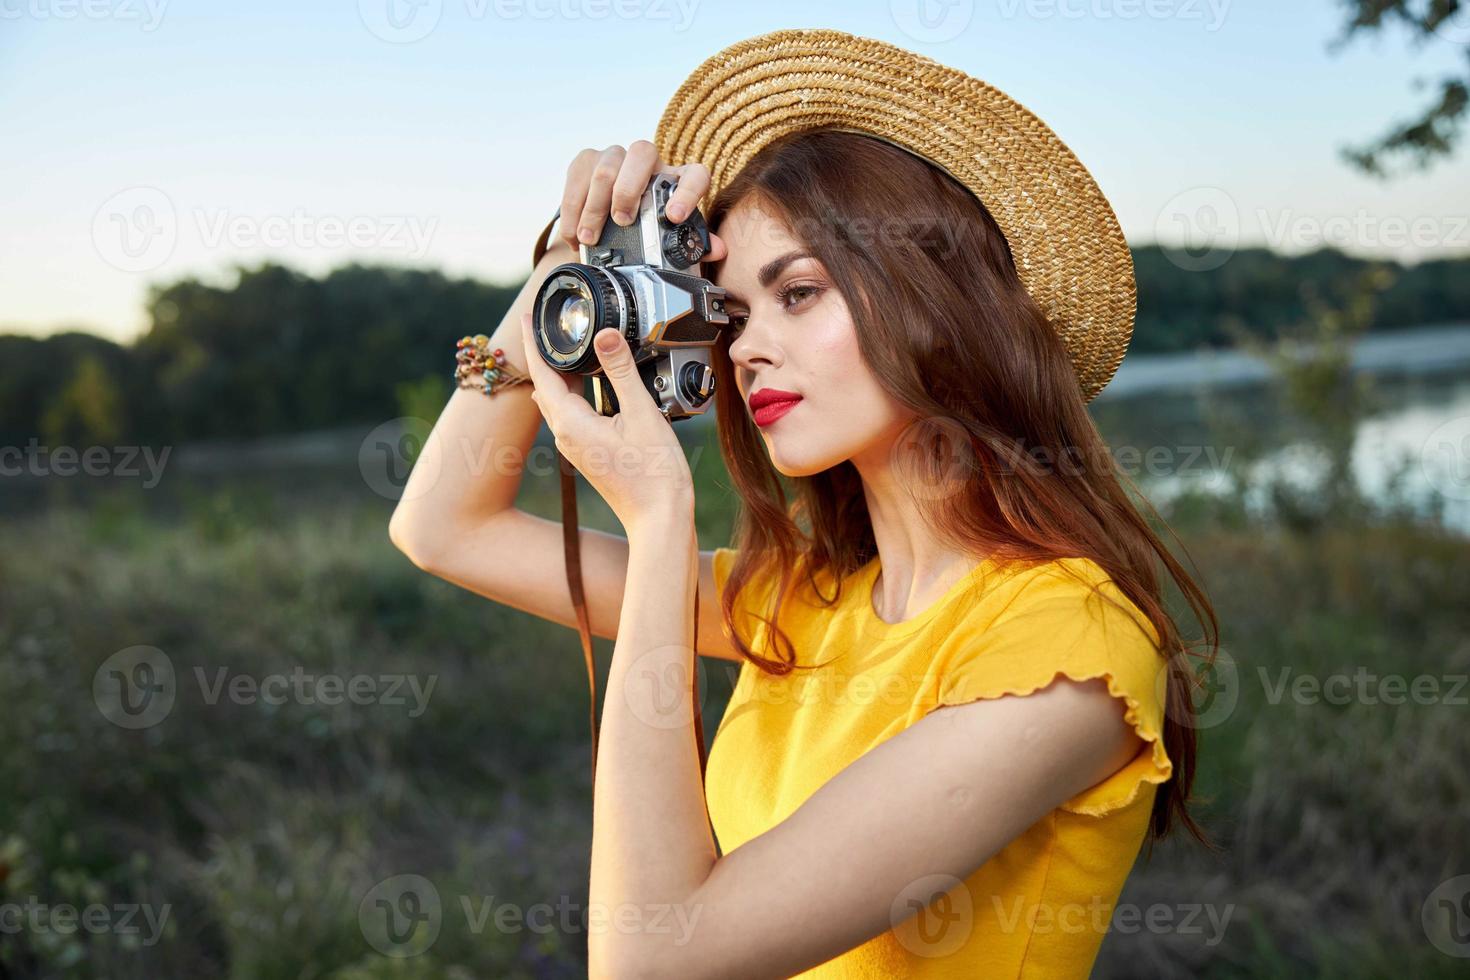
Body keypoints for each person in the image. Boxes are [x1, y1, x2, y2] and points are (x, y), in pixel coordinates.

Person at [391, 28, 1221, 980]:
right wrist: (571, 271)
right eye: (733, 313)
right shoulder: (803, 602)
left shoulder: (1067, 645)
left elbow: (651, 962)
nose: (742, 349)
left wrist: (661, 522)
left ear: (938, 304)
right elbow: (444, 525)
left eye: (800, 292)